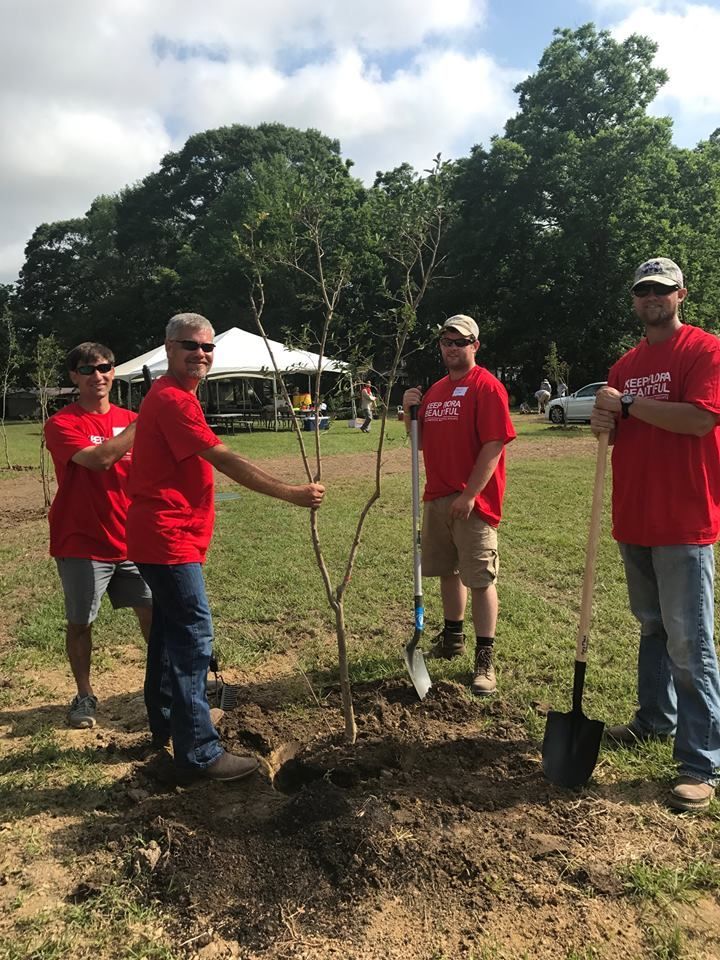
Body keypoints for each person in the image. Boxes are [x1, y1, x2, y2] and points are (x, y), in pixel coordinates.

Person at [126, 313, 325, 783]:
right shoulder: (173, 400)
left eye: (207, 347)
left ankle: (166, 725)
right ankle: (198, 754)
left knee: (169, 632)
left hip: (163, 535)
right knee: (192, 635)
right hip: (167, 537)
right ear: (168, 349)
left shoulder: (175, 397)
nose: (200, 354)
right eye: (189, 345)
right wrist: (292, 493)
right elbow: (227, 460)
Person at [590, 257, 720, 813]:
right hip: (635, 518)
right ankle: (654, 720)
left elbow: (700, 419)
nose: (652, 299)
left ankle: (703, 759)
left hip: (684, 519)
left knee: (690, 640)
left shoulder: (705, 350)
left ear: (680, 295)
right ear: (634, 301)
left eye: (661, 291)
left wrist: (632, 405)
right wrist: (605, 421)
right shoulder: (624, 364)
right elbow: (618, 431)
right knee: (653, 628)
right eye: (643, 291)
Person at [402, 315, 516, 696]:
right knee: (447, 572)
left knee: (480, 578)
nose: (452, 347)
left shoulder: (488, 388)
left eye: (460, 341)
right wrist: (409, 411)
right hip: (436, 497)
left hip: (474, 501)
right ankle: (453, 638)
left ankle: (485, 660)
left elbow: (494, 444)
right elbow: (419, 443)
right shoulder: (433, 391)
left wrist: (470, 495)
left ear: (475, 346)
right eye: (446, 341)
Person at [44, 342, 153, 729]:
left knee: (153, 612)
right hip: (81, 541)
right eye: (88, 370)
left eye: (105, 367)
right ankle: (84, 694)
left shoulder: (132, 416)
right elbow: (98, 459)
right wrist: (145, 422)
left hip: (133, 541)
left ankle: (159, 687)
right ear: (74, 376)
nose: (98, 376)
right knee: (80, 622)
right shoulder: (62, 424)